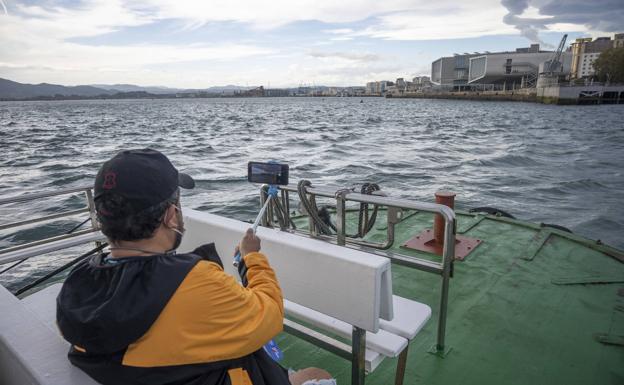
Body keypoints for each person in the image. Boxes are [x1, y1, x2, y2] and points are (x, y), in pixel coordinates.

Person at [56, 149, 332, 385]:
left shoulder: (78, 285)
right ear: (171, 216)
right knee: (315, 373)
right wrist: (253, 259)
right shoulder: (194, 283)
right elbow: (270, 316)